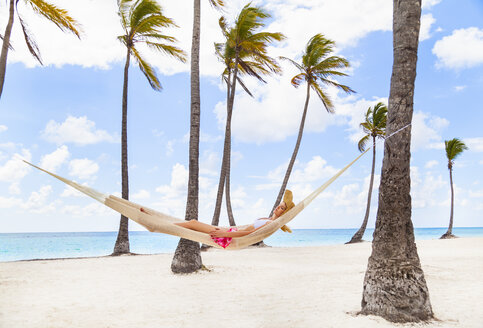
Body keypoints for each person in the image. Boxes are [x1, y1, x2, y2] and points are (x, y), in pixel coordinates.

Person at [174, 190, 295, 248]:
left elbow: (250, 233)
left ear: (284, 213)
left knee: (193, 223)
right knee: (193, 226)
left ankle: (169, 226)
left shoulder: (270, 223)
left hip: (229, 238)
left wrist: (224, 233)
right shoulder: (267, 218)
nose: (278, 207)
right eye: (279, 205)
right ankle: (170, 225)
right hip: (230, 233)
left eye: (282, 208)